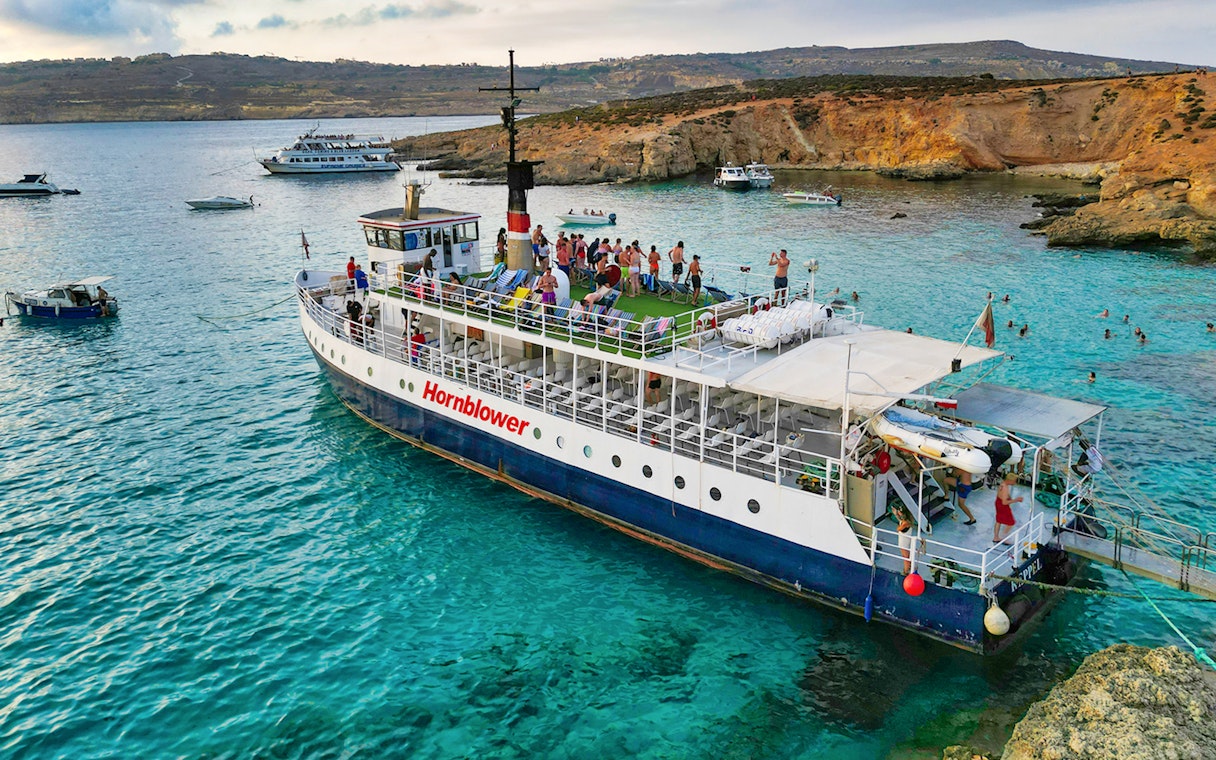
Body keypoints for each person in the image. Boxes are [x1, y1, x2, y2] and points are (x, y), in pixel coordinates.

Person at [993, 471, 1023, 544]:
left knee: (999, 520)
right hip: (1003, 506)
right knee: (1011, 522)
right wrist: (1016, 500)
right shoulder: (1005, 488)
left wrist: (1009, 497)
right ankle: (1004, 537)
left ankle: (996, 537)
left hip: (998, 502)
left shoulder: (1002, 484)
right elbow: (1004, 502)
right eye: (1014, 481)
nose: (1015, 483)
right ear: (1010, 480)